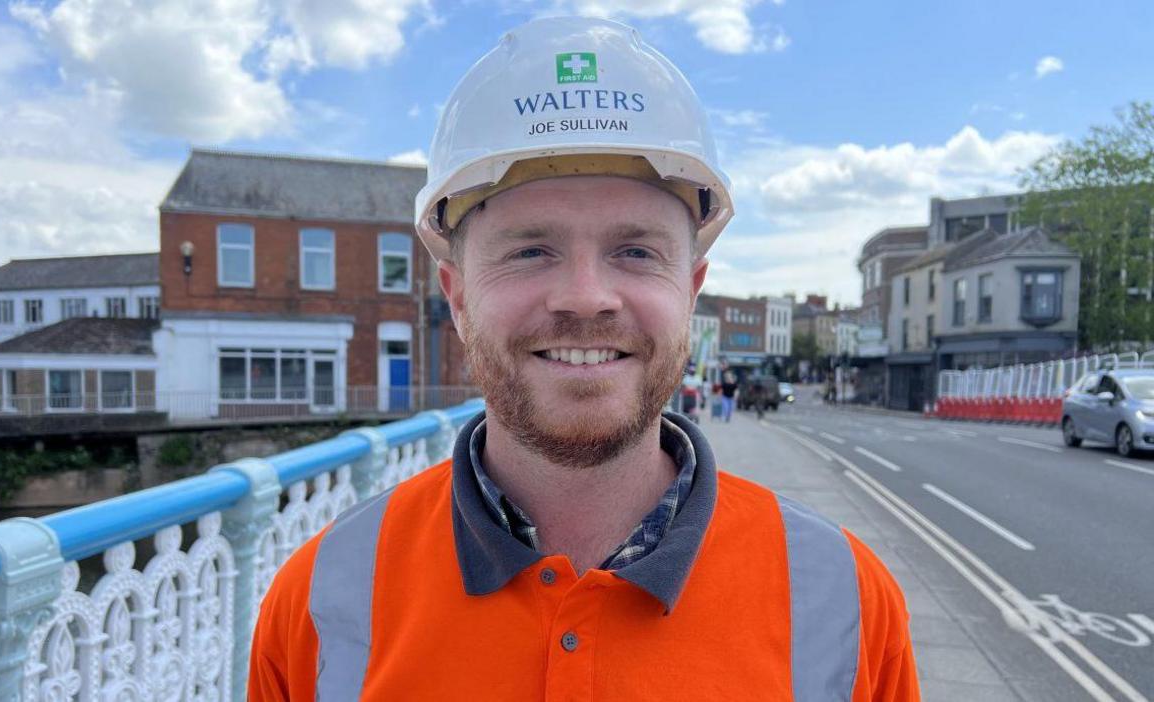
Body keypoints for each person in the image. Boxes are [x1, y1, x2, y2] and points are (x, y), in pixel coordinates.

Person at [249, 16, 918, 701]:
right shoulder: (319, 602)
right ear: (457, 297)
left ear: (689, 291)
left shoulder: (846, 603)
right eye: (530, 250)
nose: (586, 298)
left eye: (635, 252)